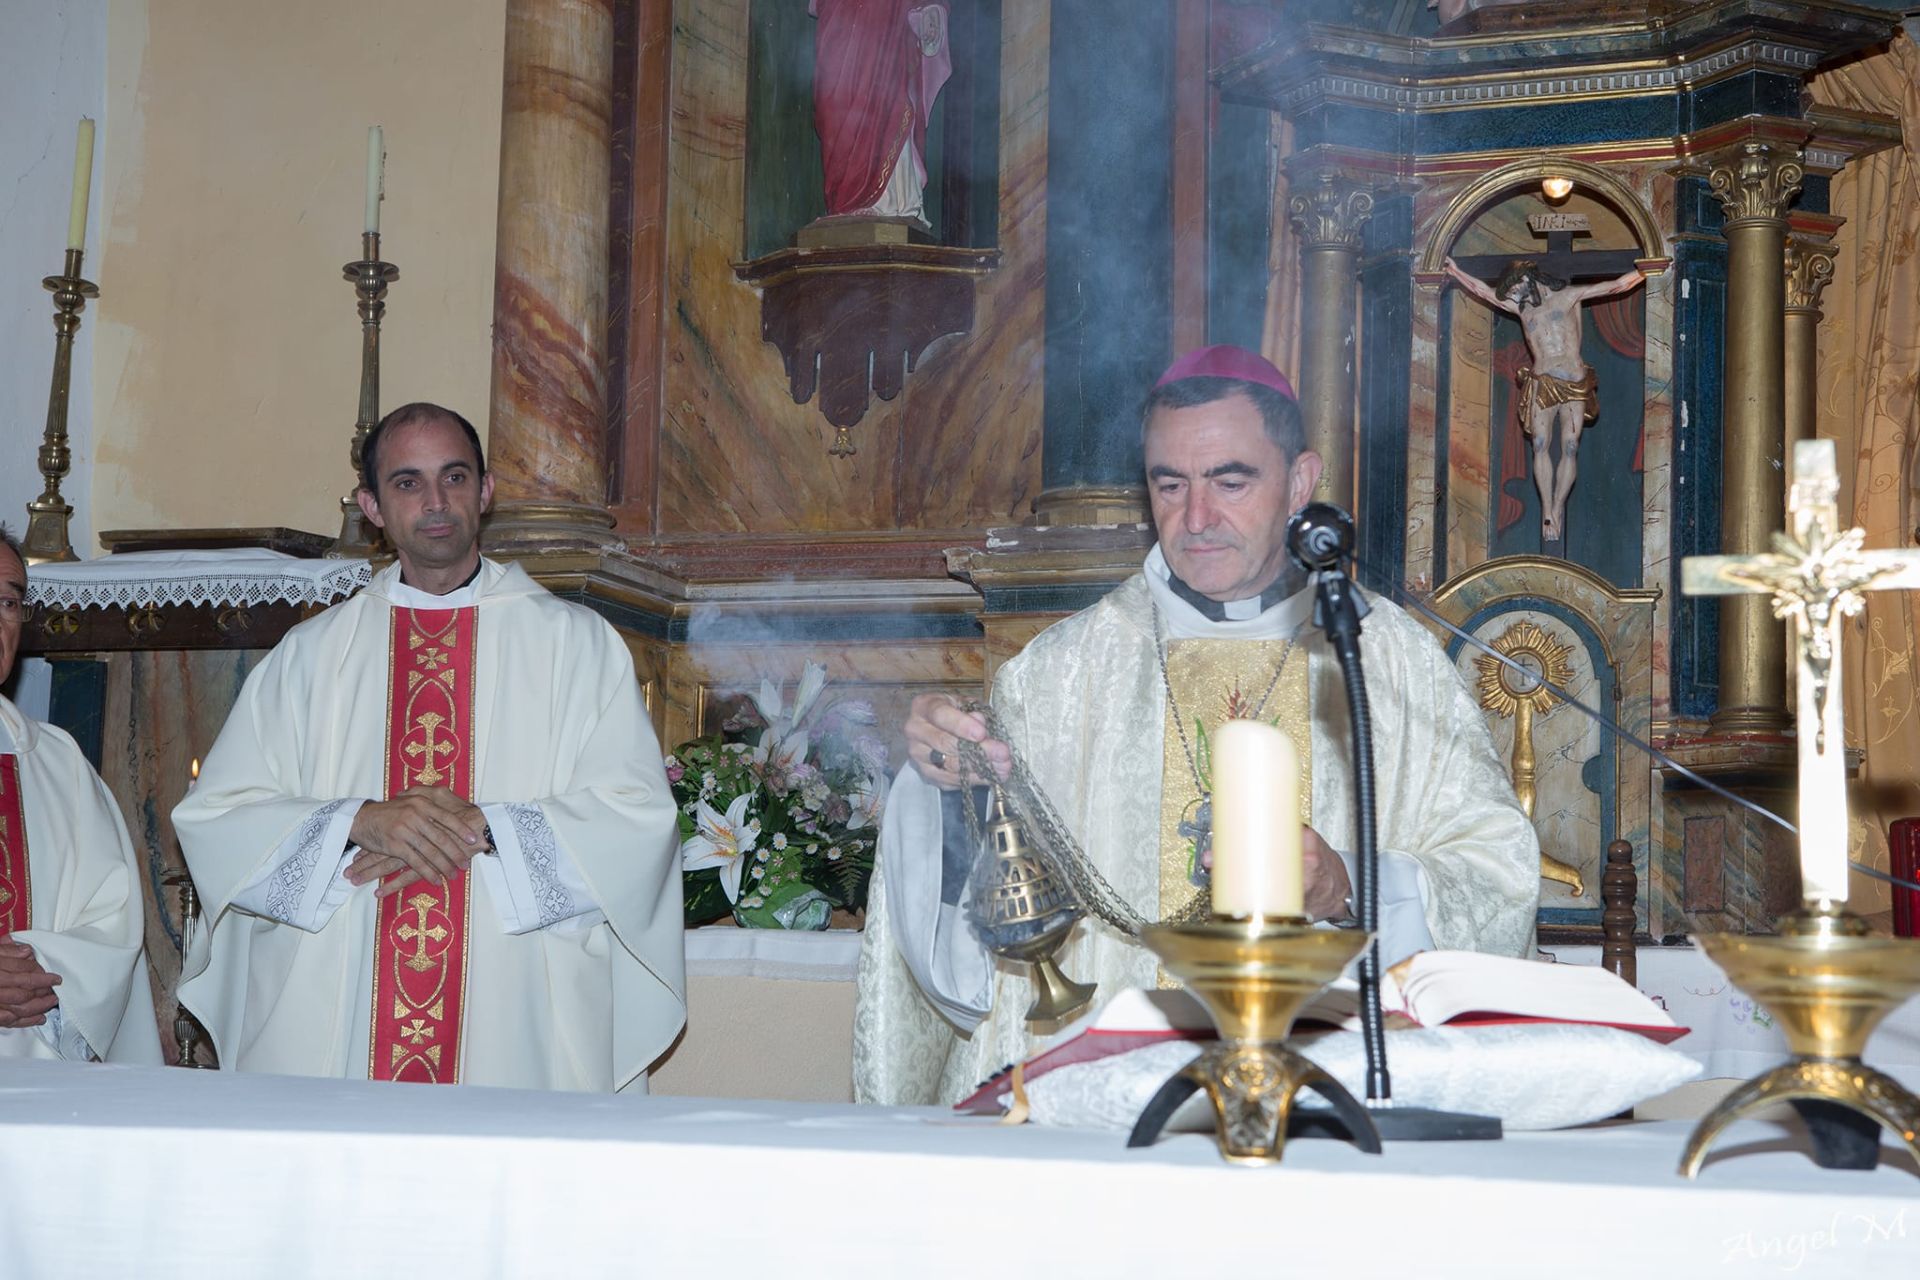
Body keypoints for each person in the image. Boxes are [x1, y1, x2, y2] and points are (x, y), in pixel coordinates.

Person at [853, 346, 1539, 1106]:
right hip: (1103, 1101)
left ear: (1300, 484)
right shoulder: (1066, 671)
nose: (1196, 518)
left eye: (1230, 481)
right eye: (1168, 485)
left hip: (1327, 1092)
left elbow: (1497, 877)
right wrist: (946, 782)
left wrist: (1346, 882)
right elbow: (982, 918)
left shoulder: (1387, 661)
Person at [174, 403, 683, 1091]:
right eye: (408, 483)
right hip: (343, 1010)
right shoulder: (313, 655)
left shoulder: (574, 646)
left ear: (487, 491)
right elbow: (217, 819)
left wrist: (484, 827)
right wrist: (358, 822)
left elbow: (636, 819)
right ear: (372, 507)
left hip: (512, 1016)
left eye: (454, 477)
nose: (436, 502)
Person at [0, 527, 162, 1065]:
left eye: (7, 601)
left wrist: (35, 973)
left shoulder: (56, 762)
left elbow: (112, 921)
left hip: (35, 1061)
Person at [1444, 255, 1646, 541]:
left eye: (1514, 289)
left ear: (1526, 278)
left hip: (1573, 380)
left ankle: (1558, 504)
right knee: (1539, 443)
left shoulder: (1568, 297)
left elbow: (1614, 286)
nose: (1512, 295)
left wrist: (1648, 271)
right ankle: (1547, 510)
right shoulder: (1522, 310)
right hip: (1542, 380)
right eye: (1510, 293)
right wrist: (1456, 272)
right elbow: (1482, 292)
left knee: (1570, 444)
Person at [810, 0, 951, 223]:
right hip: (838, 16)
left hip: (887, 18)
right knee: (836, 106)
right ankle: (846, 198)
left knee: (885, 94)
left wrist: (929, 10)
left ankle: (888, 200)